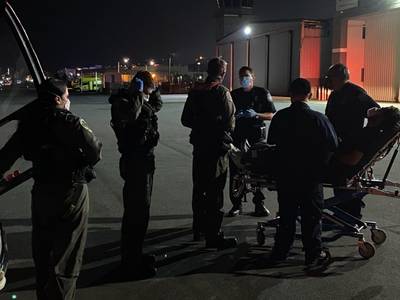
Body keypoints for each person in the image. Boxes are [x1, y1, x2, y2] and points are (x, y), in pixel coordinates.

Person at [0, 78, 102, 300]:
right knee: (66, 261)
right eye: (66, 96)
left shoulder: (29, 125)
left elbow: (4, 158)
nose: (68, 100)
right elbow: (95, 152)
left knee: (43, 256)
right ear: (57, 99)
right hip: (71, 192)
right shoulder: (71, 122)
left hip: (42, 193)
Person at [267, 78, 338, 269]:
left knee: (287, 215)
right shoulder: (319, 119)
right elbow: (333, 144)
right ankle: (313, 255)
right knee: (311, 217)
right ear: (310, 94)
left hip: (286, 174)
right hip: (311, 177)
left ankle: (280, 252)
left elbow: (271, 141)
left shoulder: (280, 117)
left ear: (291, 94)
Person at [109, 71, 162, 280]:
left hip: (145, 161)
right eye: (147, 89)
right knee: (135, 213)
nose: (147, 95)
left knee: (143, 211)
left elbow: (155, 107)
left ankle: (136, 255)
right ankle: (130, 262)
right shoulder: (122, 102)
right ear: (139, 87)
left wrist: (154, 91)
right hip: (134, 162)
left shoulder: (141, 100)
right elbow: (132, 115)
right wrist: (139, 93)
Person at [181, 57, 238, 249]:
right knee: (215, 192)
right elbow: (230, 124)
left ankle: (199, 229)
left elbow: (185, 119)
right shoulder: (222, 92)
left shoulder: (196, 92)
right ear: (222, 73)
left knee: (199, 188)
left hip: (199, 147)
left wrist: (201, 125)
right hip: (216, 149)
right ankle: (214, 236)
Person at [325, 63, 380, 218]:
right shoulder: (335, 94)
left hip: (349, 143)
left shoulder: (356, 93)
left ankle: (349, 212)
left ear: (339, 78)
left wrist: (366, 134)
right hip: (336, 141)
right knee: (339, 179)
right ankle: (343, 210)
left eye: (330, 78)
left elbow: (376, 111)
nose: (328, 81)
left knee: (340, 174)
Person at [228, 66, 276, 217]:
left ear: (253, 77)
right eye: (241, 76)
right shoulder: (233, 94)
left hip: (256, 137)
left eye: (247, 76)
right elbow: (228, 115)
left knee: (258, 170)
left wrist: (257, 115)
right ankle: (236, 204)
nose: (244, 79)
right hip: (238, 136)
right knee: (236, 170)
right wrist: (236, 117)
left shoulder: (262, 93)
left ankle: (259, 204)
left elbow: (271, 115)